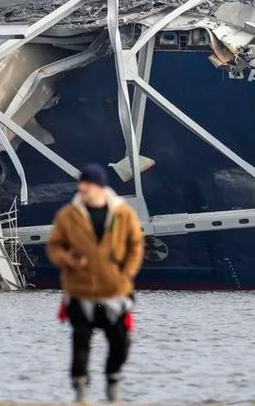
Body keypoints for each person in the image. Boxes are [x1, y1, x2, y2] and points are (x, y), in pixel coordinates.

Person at [47, 164, 145, 404]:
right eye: (81, 184)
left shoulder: (123, 214)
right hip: (81, 290)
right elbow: (55, 246)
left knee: (120, 340)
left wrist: (127, 273)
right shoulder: (68, 215)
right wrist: (68, 259)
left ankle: (113, 377)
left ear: (100, 187)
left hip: (114, 290)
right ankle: (80, 389)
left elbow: (136, 245)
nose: (83, 189)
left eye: (88, 184)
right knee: (81, 339)